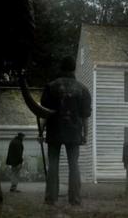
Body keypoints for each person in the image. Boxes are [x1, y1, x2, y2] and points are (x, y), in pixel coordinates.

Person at [41, 56, 91, 206]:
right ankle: (75, 199)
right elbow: (85, 116)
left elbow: (44, 112)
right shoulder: (83, 89)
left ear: (61, 68)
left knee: (53, 164)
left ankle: (51, 198)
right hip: (74, 131)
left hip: (54, 130)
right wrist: (85, 135)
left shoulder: (51, 87)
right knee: (74, 165)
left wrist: (41, 131)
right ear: (74, 69)